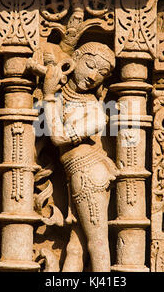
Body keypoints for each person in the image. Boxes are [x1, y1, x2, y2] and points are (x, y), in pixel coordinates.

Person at [30, 42, 118, 271]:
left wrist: (48, 94)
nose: (93, 76)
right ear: (75, 58)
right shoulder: (68, 97)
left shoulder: (96, 113)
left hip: (90, 175)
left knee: (97, 244)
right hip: (76, 176)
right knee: (75, 246)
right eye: (89, 66)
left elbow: (58, 137)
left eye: (102, 73)